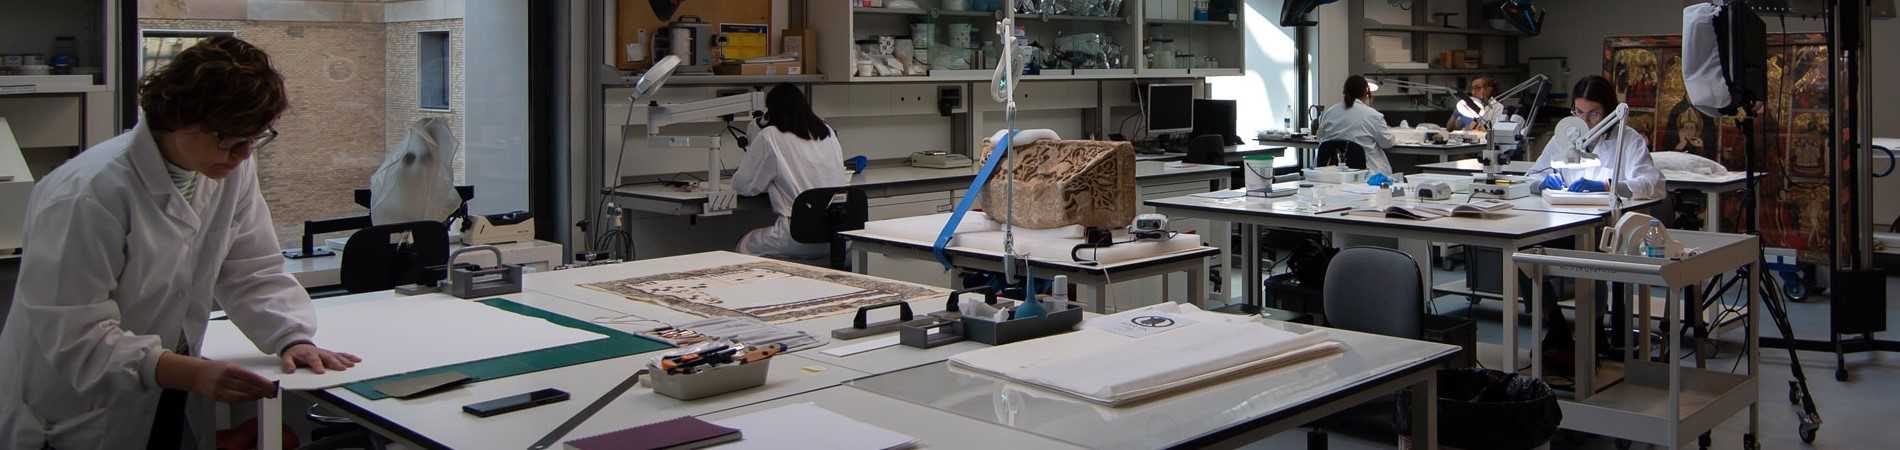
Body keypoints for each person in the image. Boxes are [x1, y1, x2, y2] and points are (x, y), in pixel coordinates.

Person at [0, 36, 360, 449]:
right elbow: (73, 335)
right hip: (74, 409)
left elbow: (251, 268)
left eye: (255, 137)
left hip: (163, 391)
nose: (244, 154)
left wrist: (291, 337)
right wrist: (191, 373)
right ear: (179, 117)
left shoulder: (228, 169)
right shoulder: (87, 194)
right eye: (230, 138)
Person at [733, 84, 849, 259]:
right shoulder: (827, 132)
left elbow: (744, 186)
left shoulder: (770, 135)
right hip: (838, 234)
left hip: (799, 236)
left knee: (744, 245)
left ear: (772, 111)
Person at [1528, 75, 1665, 200]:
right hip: (1568, 212)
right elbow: (1532, 176)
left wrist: (1607, 186)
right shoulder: (1564, 137)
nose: (1584, 121)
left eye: (1593, 114)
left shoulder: (1628, 140)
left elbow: (1654, 185)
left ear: (1608, 113)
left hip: (1612, 215)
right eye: (1579, 112)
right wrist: (1541, 184)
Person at [1317, 75, 1397, 176]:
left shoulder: (1329, 112)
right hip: (1367, 174)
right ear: (1365, 93)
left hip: (1334, 174)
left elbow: (1320, 137)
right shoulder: (1372, 115)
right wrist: (1393, 137)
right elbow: (1386, 143)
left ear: (1344, 92)